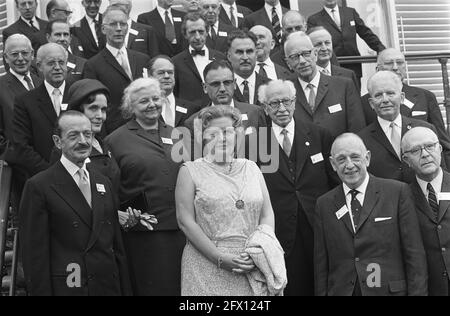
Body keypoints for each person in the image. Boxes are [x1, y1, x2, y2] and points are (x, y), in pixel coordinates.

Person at [19, 111, 132, 296]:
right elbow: (34, 257)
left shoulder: (103, 182)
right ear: (57, 141)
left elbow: (116, 246)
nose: (83, 141)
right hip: (70, 288)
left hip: (107, 287)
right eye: (73, 135)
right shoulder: (39, 186)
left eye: (87, 134)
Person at [176, 105, 280, 296]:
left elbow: (267, 214)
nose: (222, 138)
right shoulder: (189, 171)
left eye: (227, 132)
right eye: (213, 133)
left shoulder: (252, 168)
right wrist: (220, 258)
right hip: (206, 266)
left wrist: (259, 248)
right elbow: (185, 222)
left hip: (251, 262)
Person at [314, 133, 428, 296]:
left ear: (367, 158)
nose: (349, 165)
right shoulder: (323, 204)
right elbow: (321, 266)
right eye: (341, 159)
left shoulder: (397, 193)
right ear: (333, 164)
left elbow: (415, 256)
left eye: (355, 157)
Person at [257, 79, 339, 296]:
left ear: (294, 102)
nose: (281, 108)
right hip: (280, 231)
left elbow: (335, 183)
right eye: (274, 103)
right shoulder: (256, 142)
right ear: (265, 108)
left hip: (318, 227)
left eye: (286, 101)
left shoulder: (320, 135)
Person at [105, 78, 185, 296]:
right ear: (131, 107)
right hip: (146, 233)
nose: (152, 104)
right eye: (143, 101)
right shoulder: (116, 140)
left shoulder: (178, 134)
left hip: (183, 230)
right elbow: (112, 188)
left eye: (156, 98)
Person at [358, 71, 450, 183]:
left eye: (390, 93)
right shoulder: (361, 140)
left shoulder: (425, 129)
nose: (385, 100)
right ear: (371, 103)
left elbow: (441, 172)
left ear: (402, 98)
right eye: (378, 95)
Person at [82, 5, 150, 134]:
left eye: (123, 24)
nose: (119, 29)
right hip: (115, 133)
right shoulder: (93, 65)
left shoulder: (143, 59)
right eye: (113, 24)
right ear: (103, 29)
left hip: (146, 128)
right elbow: (93, 106)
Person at [285, 32, 365, 139]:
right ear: (288, 63)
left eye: (306, 54)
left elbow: (358, 129)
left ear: (315, 54)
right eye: (295, 57)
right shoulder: (284, 90)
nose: (302, 61)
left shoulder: (344, 86)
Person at [361, 48, 448, 145]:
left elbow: (442, 140)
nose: (395, 67)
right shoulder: (364, 102)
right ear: (377, 69)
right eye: (389, 63)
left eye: (399, 62)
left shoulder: (425, 96)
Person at [184, 60, 267, 160]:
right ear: (205, 87)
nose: (222, 88)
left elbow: (265, 155)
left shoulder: (255, 113)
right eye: (216, 84)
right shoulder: (193, 122)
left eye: (227, 82)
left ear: (235, 84)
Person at [9, 43, 69, 178]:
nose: (58, 68)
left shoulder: (78, 93)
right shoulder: (25, 101)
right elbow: (22, 146)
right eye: (51, 63)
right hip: (44, 177)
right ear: (39, 66)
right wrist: (48, 172)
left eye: (61, 62)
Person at [50, 79, 120, 193]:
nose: (100, 116)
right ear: (78, 111)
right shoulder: (64, 149)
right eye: (93, 108)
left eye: (103, 110)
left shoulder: (104, 144)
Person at [403, 127, 450, 296]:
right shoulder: (401, 198)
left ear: (440, 149)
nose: (425, 154)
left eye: (430, 146)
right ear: (406, 159)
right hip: (427, 289)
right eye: (416, 150)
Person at [307, 0, 386, 84]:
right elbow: (310, 44)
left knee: (354, 95)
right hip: (331, 67)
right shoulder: (314, 19)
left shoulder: (350, 12)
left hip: (353, 65)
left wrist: (381, 49)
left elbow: (366, 33)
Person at [0, 34, 41, 158]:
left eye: (25, 53)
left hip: (47, 162)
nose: (20, 58)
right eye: (14, 54)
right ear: (6, 58)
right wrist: (15, 155)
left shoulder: (42, 82)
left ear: (32, 54)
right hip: (18, 165)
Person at [173, 13, 225, 106]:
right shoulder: (175, 62)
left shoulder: (221, 58)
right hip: (190, 116)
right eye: (192, 32)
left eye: (201, 31)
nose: (197, 37)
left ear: (207, 32)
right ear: (185, 35)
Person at [149, 55, 201, 127]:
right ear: (150, 77)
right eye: (161, 73)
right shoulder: (145, 108)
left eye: (170, 72)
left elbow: (198, 137)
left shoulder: (193, 109)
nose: (167, 76)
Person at [307, 26, 359, 91]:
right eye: (318, 44)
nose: (324, 48)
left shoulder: (348, 76)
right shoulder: (303, 77)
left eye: (327, 43)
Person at [228, 29, 270, 105]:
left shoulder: (270, 86)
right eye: (239, 52)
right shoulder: (223, 88)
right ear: (229, 56)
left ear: (256, 54)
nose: (245, 57)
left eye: (249, 52)